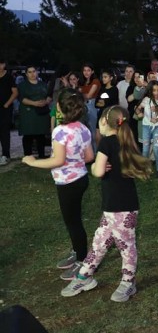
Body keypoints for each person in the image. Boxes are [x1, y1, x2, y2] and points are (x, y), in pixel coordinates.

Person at [60, 105, 151, 302]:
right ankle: (84, 277)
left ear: (103, 122)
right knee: (99, 243)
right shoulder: (126, 140)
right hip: (116, 207)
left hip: (120, 208)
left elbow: (99, 171)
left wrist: (94, 166)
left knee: (126, 246)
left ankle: (128, 282)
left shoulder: (107, 143)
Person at [22, 88, 94, 280]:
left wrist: (33, 162)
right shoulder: (83, 128)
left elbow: (58, 160)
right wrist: (74, 160)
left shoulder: (60, 132)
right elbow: (89, 156)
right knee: (74, 219)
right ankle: (77, 251)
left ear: (60, 108)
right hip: (81, 179)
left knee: (73, 222)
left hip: (68, 183)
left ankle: (82, 260)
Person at [18, 66, 51, 158]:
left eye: (34, 71)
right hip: (28, 113)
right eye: (30, 72)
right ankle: (28, 156)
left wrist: (46, 101)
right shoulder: (23, 85)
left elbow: (49, 95)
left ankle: (41, 155)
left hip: (42, 113)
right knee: (28, 134)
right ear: (26, 74)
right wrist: (34, 103)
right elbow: (22, 98)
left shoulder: (43, 84)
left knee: (41, 134)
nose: (32, 74)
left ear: (37, 72)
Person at [136, 80, 158, 177]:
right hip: (146, 126)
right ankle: (144, 169)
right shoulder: (146, 99)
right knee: (145, 149)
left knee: (156, 148)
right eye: (154, 90)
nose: (156, 93)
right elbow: (137, 108)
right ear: (150, 90)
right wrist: (139, 113)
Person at [0, 58, 18, 165]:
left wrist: (7, 104)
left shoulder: (9, 77)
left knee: (4, 132)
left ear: (3, 65)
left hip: (5, 109)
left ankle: (5, 155)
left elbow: (15, 92)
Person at [95, 69, 120, 145]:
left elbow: (112, 103)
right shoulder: (102, 89)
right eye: (102, 77)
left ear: (111, 78)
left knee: (108, 136)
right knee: (98, 136)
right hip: (101, 114)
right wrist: (102, 103)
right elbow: (96, 103)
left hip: (109, 115)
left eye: (105, 77)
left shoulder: (114, 89)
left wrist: (103, 103)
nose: (103, 79)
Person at [81, 63, 101, 150]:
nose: (86, 72)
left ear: (92, 71)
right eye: (84, 70)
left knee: (92, 130)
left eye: (88, 70)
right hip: (83, 105)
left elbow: (89, 95)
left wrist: (80, 93)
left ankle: (95, 152)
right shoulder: (83, 82)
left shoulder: (95, 81)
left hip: (91, 105)